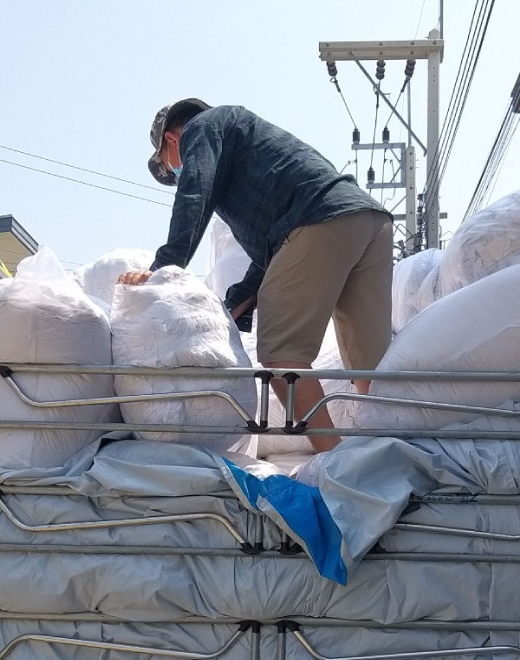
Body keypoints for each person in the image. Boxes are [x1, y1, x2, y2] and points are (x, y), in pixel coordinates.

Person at [117, 99, 393, 453]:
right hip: (367, 220)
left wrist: (163, 270)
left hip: (319, 221)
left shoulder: (202, 128)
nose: (176, 173)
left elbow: (194, 194)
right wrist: (237, 303)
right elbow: (273, 254)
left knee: (281, 355)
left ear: (172, 141)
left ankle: (338, 459)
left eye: (170, 168)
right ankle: (387, 452)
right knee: (368, 368)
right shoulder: (247, 146)